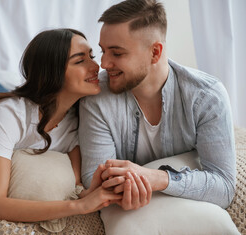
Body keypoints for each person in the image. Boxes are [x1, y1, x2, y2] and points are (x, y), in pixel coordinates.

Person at [0, 28, 122, 223]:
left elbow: (77, 187)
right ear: (51, 72)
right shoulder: (10, 112)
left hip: (18, 110)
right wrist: (77, 207)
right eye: (80, 61)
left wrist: (94, 192)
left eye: (91, 56)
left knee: (9, 97)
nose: (96, 66)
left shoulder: (81, 116)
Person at [79, 0, 236, 210]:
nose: (104, 64)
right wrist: (132, 184)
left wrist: (159, 178)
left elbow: (224, 187)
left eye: (117, 53)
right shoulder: (96, 98)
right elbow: (93, 179)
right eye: (103, 51)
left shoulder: (207, 97)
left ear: (155, 52)